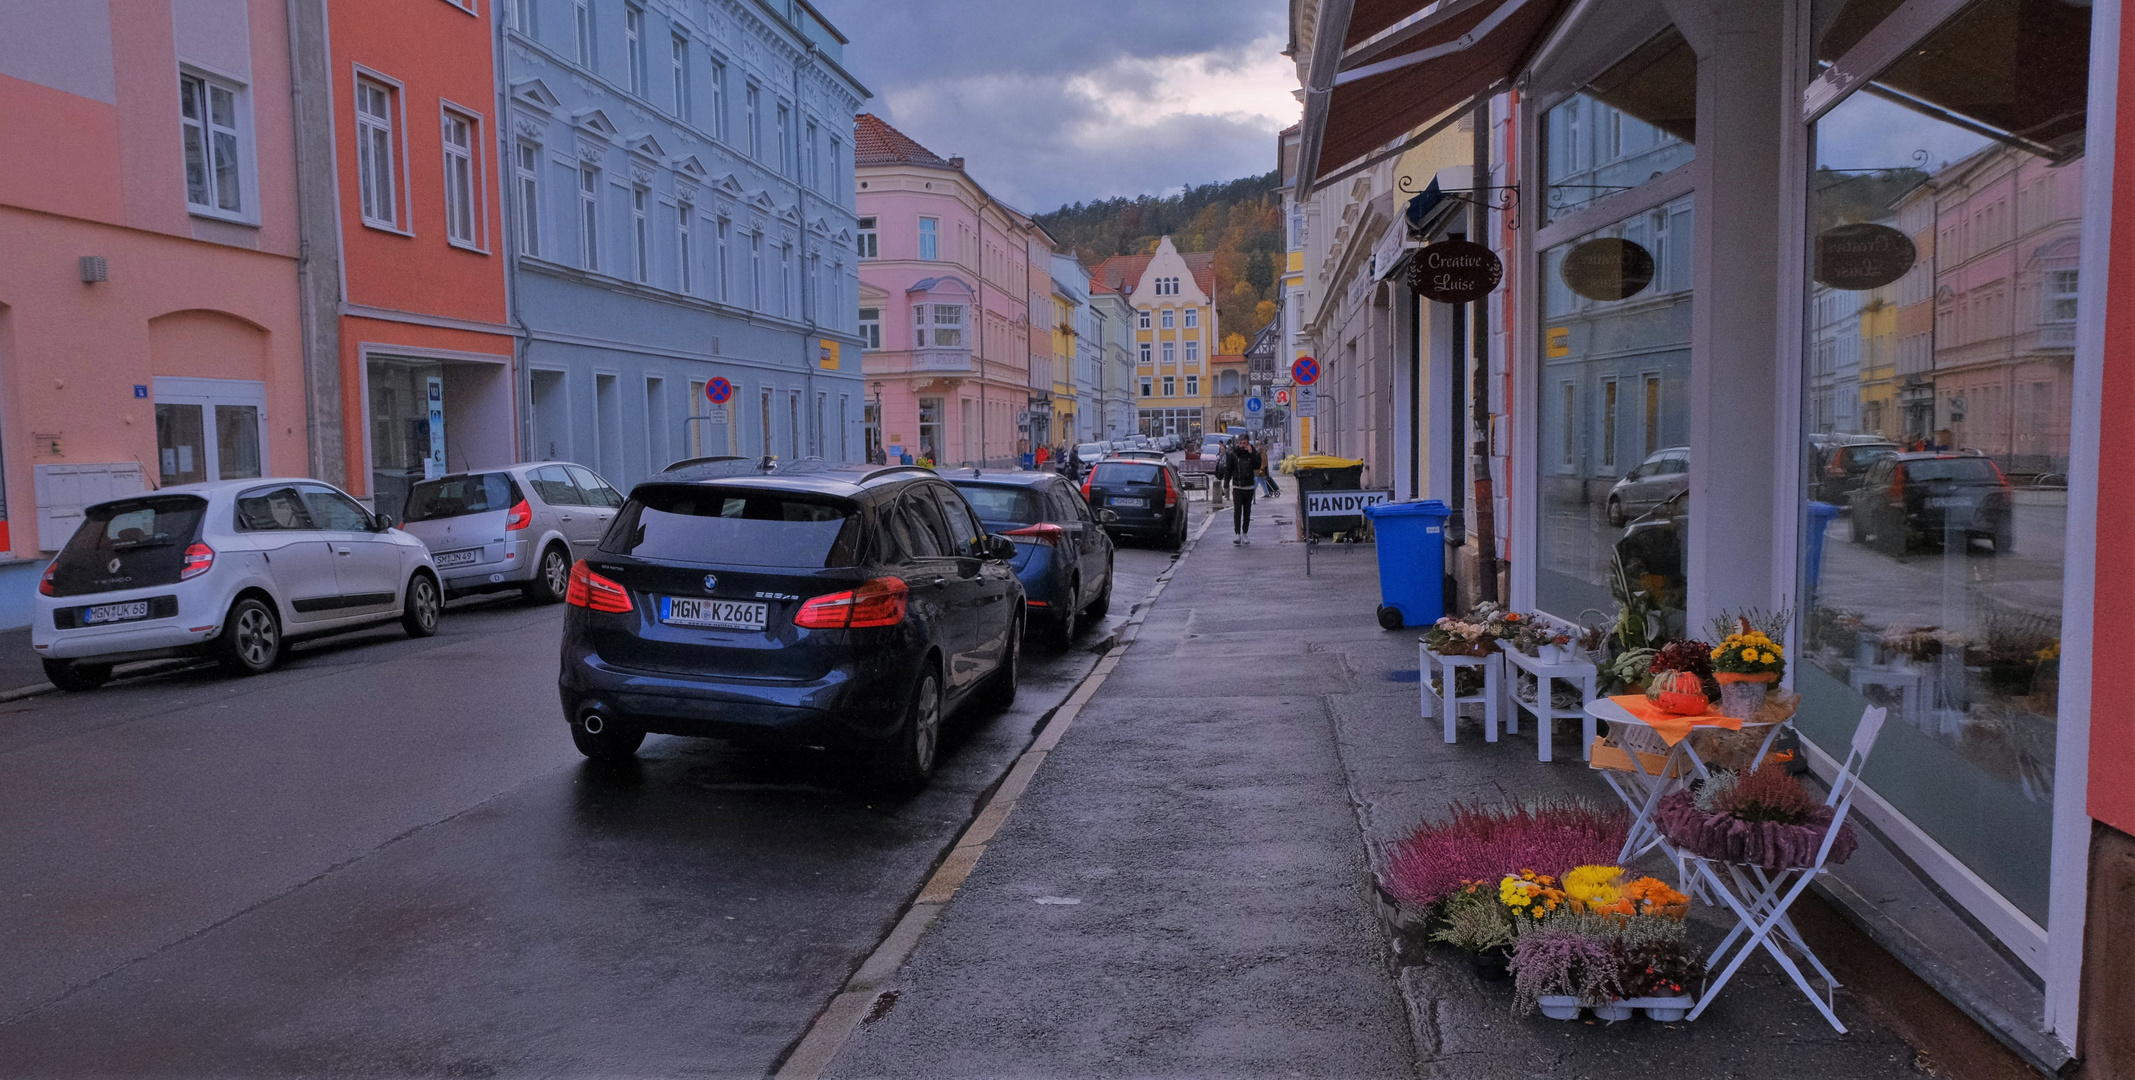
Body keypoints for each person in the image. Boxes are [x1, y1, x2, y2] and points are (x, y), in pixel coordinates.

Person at [1222, 434, 1266, 545]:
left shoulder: (1253, 453)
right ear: (1238, 443)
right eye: (1240, 443)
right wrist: (1226, 484)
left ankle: (1245, 533)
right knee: (1237, 510)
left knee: (1247, 511)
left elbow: (1257, 465)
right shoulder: (1233, 454)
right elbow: (1228, 470)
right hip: (1237, 486)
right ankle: (1237, 534)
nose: (1242, 446)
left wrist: (1251, 453)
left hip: (1249, 486)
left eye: (1244, 444)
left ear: (1248, 443)